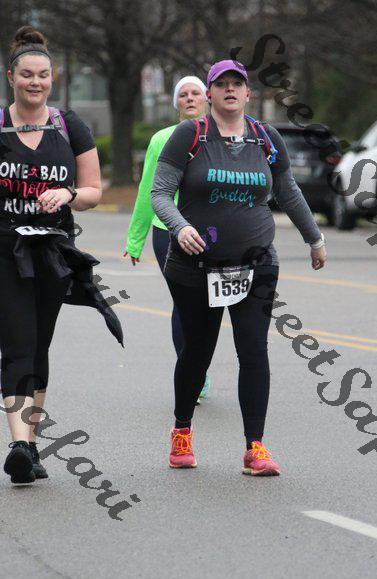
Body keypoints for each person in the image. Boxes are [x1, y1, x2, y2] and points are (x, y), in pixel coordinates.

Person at [151, 59, 326, 475]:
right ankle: (182, 430)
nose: (229, 90)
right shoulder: (189, 135)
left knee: (253, 349)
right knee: (197, 350)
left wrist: (314, 238)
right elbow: (159, 193)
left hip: (255, 264)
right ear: (209, 93)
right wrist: (180, 227)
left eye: (237, 84)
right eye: (221, 84)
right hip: (196, 265)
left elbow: (288, 191)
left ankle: (255, 447)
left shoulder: (265, 138)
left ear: (248, 94)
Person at [1, 26, 122, 485]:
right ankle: (18, 444)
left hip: (52, 252)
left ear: (52, 79)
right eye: (26, 75)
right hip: (6, 250)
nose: (35, 82)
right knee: (17, 341)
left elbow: (93, 191)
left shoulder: (69, 126)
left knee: (39, 344)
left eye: (43, 75)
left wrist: (67, 194)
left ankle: (30, 444)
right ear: (11, 77)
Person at [125, 76, 211, 400]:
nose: (189, 98)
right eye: (183, 94)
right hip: (168, 232)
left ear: (206, 98)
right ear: (176, 103)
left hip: (211, 233)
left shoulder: (218, 136)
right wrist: (135, 240)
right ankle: (193, 374)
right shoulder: (162, 139)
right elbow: (148, 191)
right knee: (184, 302)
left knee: (208, 305)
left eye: (195, 93)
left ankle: (198, 363)